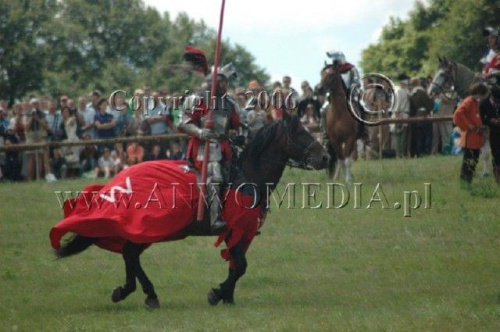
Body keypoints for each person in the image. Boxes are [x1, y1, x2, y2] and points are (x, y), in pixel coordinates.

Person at [178, 63, 241, 232]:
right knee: (215, 176)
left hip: (225, 147)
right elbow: (183, 123)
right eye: (223, 82)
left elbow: (238, 125)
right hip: (203, 148)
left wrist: (240, 133)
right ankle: (215, 219)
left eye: (226, 83)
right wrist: (200, 131)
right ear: (214, 82)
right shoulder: (195, 100)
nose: (225, 86)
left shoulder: (229, 104)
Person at [453, 83, 489, 184]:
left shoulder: (475, 102)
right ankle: (465, 180)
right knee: (469, 160)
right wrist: (468, 125)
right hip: (470, 137)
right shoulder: (468, 101)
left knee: (474, 160)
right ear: (478, 93)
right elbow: (458, 113)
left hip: (476, 137)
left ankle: (468, 179)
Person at [480, 85, 500, 184]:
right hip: (491, 130)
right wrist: (490, 120)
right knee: (495, 153)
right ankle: (497, 174)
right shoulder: (483, 103)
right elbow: (481, 117)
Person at [409, 77, 434, 157]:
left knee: (419, 135)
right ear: (418, 83)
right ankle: (426, 151)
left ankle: (419, 152)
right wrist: (432, 99)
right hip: (424, 114)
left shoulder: (412, 93)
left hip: (416, 114)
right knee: (428, 134)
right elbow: (429, 104)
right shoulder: (421, 92)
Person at [391, 74, 411, 157]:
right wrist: (397, 116)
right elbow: (396, 105)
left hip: (405, 114)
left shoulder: (405, 90)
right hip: (400, 114)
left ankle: (403, 154)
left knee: (403, 137)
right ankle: (399, 154)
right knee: (399, 136)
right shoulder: (398, 91)